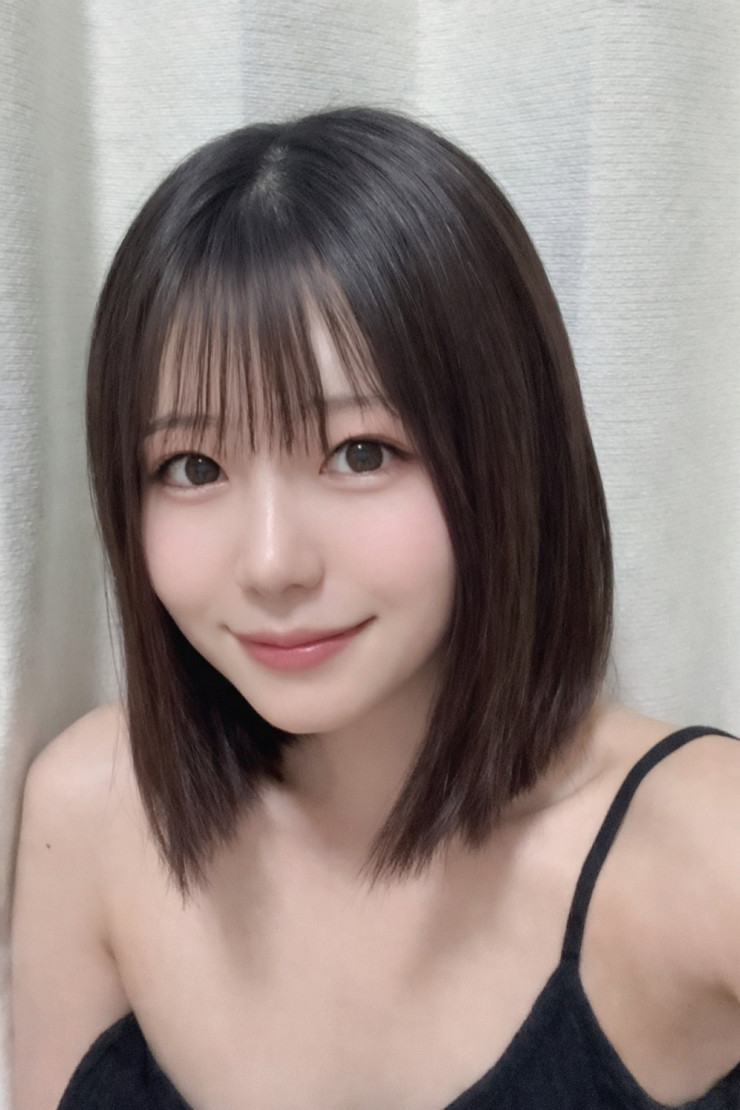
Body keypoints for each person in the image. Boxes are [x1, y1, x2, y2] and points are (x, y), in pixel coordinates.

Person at [10, 106, 740, 1110]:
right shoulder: (93, 812)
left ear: (508, 452)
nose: (271, 563)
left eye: (360, 453)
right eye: (193, 467)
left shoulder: (703, 844)